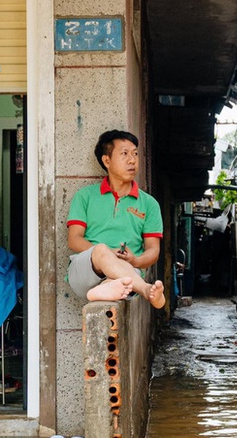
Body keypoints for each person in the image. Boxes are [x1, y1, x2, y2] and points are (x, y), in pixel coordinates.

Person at [66, 130, 165, 308]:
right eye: (124, 154)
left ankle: (106, 287)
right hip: (85, 271)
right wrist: (108, 254)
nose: (132, 160)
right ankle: (145, 290)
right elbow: (74, 240)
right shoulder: (85, 196)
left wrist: (134, 260)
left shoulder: (149, 204)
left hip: (126, 274)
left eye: (135, 153)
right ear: (106, 160)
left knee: (119, 277)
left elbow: (153, 251)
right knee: (101, 250)